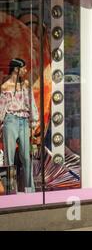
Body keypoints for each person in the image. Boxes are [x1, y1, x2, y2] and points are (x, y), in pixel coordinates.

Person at [0, 58, 38, 193]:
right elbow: (2, 107)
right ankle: (10, 191)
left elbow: (31, 102)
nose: (26, 70)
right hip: (10, 120)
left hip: (23, 121)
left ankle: (30, 190)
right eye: (24, 68)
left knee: (26, 157)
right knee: (9, 158)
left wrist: (34, 120)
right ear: (16, 69)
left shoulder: (26, 84)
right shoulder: (5, 87)